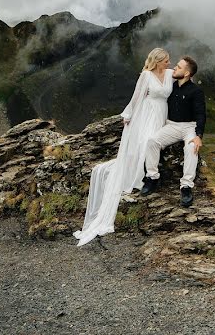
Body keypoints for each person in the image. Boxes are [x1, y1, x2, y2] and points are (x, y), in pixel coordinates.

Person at [73, 48, 173, 246]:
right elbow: (137, 97)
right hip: (147, 114)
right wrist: (128, 115)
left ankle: (148, 173)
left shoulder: (170, 74)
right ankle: (143, 176)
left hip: (163, 113)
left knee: (154, 143)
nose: (169, 63)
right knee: (145, 142)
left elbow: (184, 81)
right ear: (157, 61)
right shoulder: (146, 75)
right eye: (166, 61)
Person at [139, 55, 206, 208]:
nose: (174, 68)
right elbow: (156, 83)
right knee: (152, 141)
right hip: (172, 125)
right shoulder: (171, 86)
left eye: (179, 67)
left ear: (187, 73)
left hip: (190, 126)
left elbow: (201, 114)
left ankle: (186, 186)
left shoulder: (196, 91)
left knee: (191, 148)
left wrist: (198, 135)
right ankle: (152, 177)